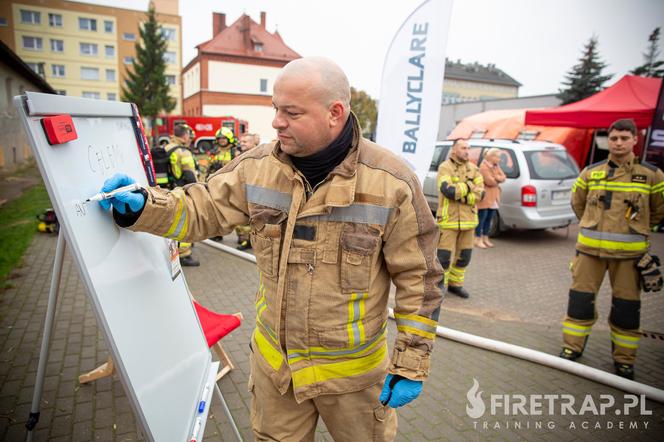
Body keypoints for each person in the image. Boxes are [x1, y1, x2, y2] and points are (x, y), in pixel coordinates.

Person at [97, 56, 444, 441]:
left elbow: (421, 278)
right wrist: (146, 207)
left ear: (335, 113)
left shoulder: (391, 182)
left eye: (291, 112)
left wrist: (411, 361)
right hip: (276, 372)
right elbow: (200, 209)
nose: (277, 121)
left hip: (353, 380)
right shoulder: (256, 167)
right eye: (276, 109)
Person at [559, 118, 664, 380]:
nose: (618, 143)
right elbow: (578, 204)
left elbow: (658, 211)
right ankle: (572, 349)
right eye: (614, 138)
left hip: (629, 257)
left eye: (623, 138)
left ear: (635, 140)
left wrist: (635, 230)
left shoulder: (652, 175)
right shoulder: (590, 172)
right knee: (580, 303)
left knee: (627, 309)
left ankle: (624, 361)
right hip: (589, 253)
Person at [436, 139, 484, 299]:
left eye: (468, 148)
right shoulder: (445, 168)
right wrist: (470, 185)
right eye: (463, 147)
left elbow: (481, 194)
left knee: (464, 257)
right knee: (443, 258)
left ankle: (456, 285)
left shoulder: (474, 169)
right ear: (454, 150)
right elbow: (448, 191)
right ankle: (440, 286)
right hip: (448, 221)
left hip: (469, 221)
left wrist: (462, 192)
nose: (467, 151)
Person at [161, 123, 200, 267]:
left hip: (168, 191)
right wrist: (197, 192)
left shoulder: (167, 147)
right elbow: (190, 175)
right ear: (185, 136)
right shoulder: (183, 152)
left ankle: (173, 250)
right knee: (185, 222)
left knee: (172, 221)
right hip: (181, 191)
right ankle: (184, 254)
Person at [475, 148, 506, 248]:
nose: (499, 159)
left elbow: (504, 177)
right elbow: (489, 181)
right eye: (498, 157)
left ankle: (485, 238)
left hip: (494, 197)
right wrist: (497, 179)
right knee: (482, 218)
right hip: (485, 197)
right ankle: (477, 239)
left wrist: (496, 178)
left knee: (489, 219)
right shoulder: (484, 167)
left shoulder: (496, 166)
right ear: (491, 157)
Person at [233, 133, 260, 250]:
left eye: (245, 142)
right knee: (240, 215)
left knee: (253, 217)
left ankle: (250, 240)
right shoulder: (239, 155)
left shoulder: (258, 156)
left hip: (254, 190)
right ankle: (243, 238)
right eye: (241, 141)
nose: (242, 143)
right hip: (241, 189)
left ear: (254, 143)